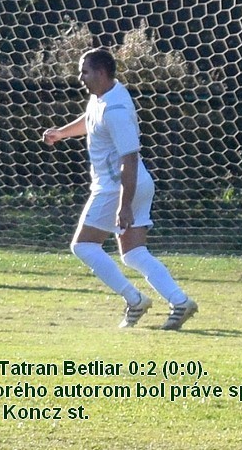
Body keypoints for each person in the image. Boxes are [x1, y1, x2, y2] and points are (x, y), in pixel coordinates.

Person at [42, 48, 198, 330]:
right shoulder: (104, 95)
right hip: (135, 183)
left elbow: (129, 158)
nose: (80, 78)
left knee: (83, 246)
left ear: (101, 73)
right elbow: (91, 120)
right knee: (134, 254)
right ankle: (180, 301)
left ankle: (134, 299)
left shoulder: (115, 110)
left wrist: (124, 205)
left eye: (84, 72)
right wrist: (62, 133)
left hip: (117, 187)